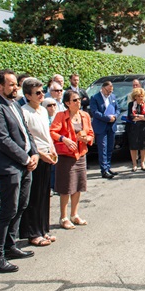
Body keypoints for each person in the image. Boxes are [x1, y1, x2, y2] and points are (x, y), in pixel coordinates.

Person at [0, 69, 39, 273]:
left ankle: (10, 245)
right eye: (11, 84)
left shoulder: (15, 104)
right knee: (8, 210)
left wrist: (33, 153)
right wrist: (25, 158)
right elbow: (2, 140)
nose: (16, 87)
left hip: (25, 164)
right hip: (9, 167)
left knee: (21, 206)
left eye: (16, 84)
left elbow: (26, 132)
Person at [20, 78, 58, 246]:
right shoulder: (23, 112)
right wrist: (41, 153)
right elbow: (27, 139)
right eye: (37, 93)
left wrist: (52, 148)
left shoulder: (43, 110)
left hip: (47, 155)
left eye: (42, 91)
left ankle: (43, 229)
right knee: (34, 197)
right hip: (35, 157)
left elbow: (46, 133)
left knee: (44, 195)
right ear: (28, 95)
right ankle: (33, 233)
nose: (42, 94)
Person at [50, 90, 94, 230]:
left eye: (79, 99)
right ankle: (64, 217)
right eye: (75, 100)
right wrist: (65, 139)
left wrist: (87, 139)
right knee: (66, 187)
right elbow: (52, 132)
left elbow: (91, 133)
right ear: (67, 103)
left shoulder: (85, 115)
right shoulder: (61, 116)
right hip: (66, 156)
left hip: (80, 154)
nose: (78, 102)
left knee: (78, 186)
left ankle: (74, 214)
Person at [90, 81, 119, 179]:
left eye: (111, 91)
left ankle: (108, 166)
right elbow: (95, 112)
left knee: (110, 147)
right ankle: (104, 170)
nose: (109, 93)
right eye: (108, 91)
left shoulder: (113, 97)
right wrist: (107, 118)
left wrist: (114, 116)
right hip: (101, 126)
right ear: (102, 88)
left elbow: (117, 109)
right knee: (103, 148)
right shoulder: (95, 98)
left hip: (111, 125)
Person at [126, 87, 145, 172]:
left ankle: (142, 163)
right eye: (139, 96)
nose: (141, 98)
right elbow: (130, 116)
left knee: (143, 146)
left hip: (143, 128)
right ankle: (134, 164)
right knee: (133, 146)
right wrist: (142, 117)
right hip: (133, 129)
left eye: (142, 96)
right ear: (135, 97)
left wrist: (138, 117)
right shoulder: (131, 104)